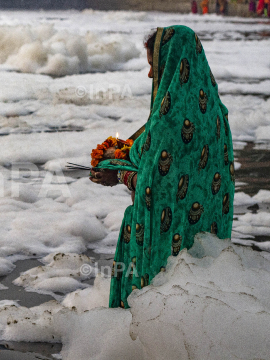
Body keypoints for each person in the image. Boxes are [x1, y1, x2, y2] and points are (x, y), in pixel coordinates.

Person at [90, 26, 234, 309]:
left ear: (170, 65)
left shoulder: (167, 121)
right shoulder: (216, 110)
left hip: (166, 247)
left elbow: (154, 186)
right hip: (206, 245)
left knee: (156, 315)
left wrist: (117, 174)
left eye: (153, 66)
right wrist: (119, 152)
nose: (150, 75)